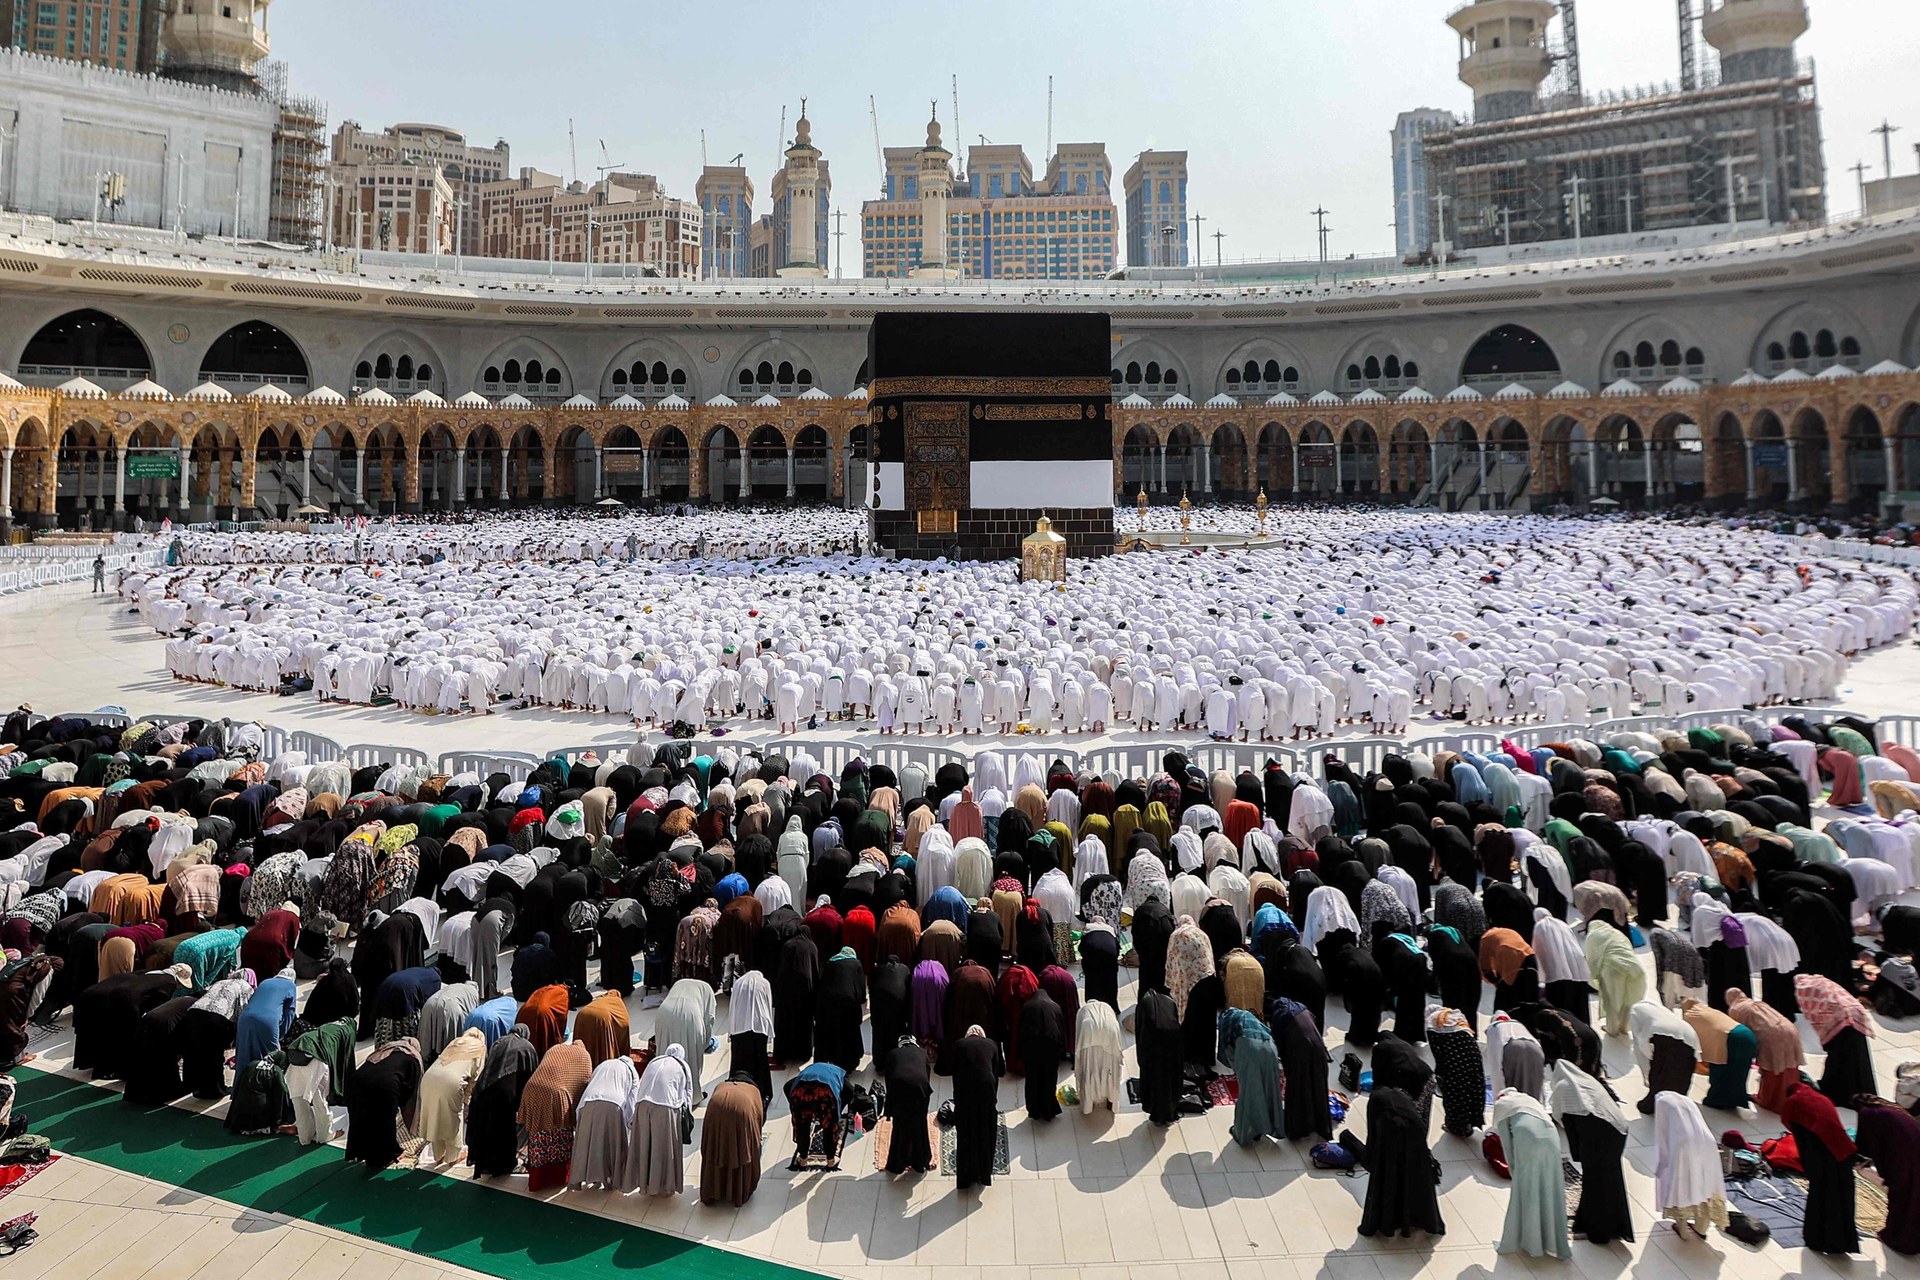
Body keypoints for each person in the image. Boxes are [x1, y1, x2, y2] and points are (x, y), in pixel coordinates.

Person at [1550, 1061, 1633, 1245]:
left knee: (1596, 1182)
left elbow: (1566, 1122)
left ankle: (1599, 1231)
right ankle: (1610, 1224)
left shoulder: (1563, 1088)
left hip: (1599, 1137)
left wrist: (1578, 1153)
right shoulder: (1585, 1082)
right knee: (1609, 1179)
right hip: (1616, 1130)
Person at [1779, 1079, 1859, 1255]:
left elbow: (1789, 1123)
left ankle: (1817, 1238)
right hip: (1842, 1150)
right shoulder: (1822, 1098)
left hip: (1823, 1153)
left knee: (1821, 1194)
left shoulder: (1793, 1102)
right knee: (1842, 1195)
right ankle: (1842, 1241)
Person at [1357, 1085, 1445, 1239]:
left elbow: (1373, 1135)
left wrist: (1369, 1159)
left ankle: (1390, 1223)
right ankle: (1416, 1221)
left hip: (1391, 1144)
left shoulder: (1379, 1105)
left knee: (1391, 1182)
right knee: (1414, 1183)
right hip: (1416, 1147)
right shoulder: (1404, 1104)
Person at [1492, 1088, 1571, 1259]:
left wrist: (1515, 1173)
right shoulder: (1529, 1100)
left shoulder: (1503, 1106)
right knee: (1550, 1188)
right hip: (1552, 1140)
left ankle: (1530, 1242)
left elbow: (1506, 1145)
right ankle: (1553, 1241)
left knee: (1528, 1192)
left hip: (1529, 1142)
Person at [1652, 1092, 1726, 1239]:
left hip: (1682, 1147)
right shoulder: (1687, 1103)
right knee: (1707, 1184)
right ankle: (1701, 1228)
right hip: (1707, 1142)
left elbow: (1663, 1137)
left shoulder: (1662, 1104)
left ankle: (1682, 1228)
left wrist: (1661, 1166)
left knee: (1682, 1186)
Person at [1854, 1096, 1920, 1256]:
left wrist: (1881, 1169)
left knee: (1901, 1196)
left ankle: (1897, 1238)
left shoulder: (1867, 1113)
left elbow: (1874, 1144)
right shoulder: (1889, 1108)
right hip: (1914, 1150)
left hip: (1904, 1157)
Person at [624, 1043, 693, 1196]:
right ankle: (662, 1187)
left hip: (642, 1105)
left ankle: (645, 1184)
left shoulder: (654, 1062)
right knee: (663, 1148)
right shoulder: (682, 1065)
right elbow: (688, 1094)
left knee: (645, 1145)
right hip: (665, 1107)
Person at [948, 1024, 1005, 1190]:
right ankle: (984, 1174)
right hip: (986, 1094)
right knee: (986, 1133)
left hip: (965, 1095)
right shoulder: (992, 1044)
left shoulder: (959, 1045)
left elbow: (955, 1072)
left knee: (966, 1134)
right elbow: (997, 1072)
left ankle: (966, 1178)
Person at [700, 1069, 767, 1205]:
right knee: (742, 1148)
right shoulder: (753, 1090)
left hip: (716, 1108)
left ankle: (713, 1192)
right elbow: (759, 1119)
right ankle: (738, 1193)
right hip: (742, 1113)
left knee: (716, 1147)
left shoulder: (721, 1086)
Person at [881, 1033, 935, 1173]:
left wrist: (889, 1108)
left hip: (899, 1088)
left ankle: (898, 1163)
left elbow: (889, 1080)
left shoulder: (892, 1054)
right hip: (920, 1089)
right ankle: (920, 1161)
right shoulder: (923, 1053)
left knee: (900, 1124)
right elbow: (926, 1076)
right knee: (919, 1124)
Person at [1017, 985, 1068, 1121]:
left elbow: (1021, 1030)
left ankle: (1034, 1110)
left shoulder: (1027, 1006)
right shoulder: (1055, 1007)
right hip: (1051, 1048)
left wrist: (1020, 1051)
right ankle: (1049, 1110)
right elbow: (1060, 1029)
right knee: (1049, 1078)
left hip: (1031, 1048)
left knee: (1033, 1079)